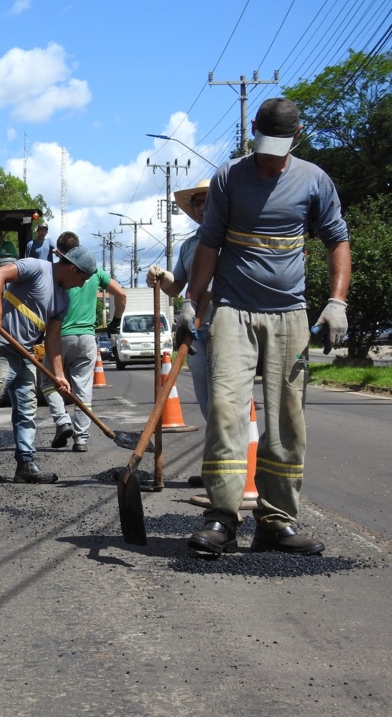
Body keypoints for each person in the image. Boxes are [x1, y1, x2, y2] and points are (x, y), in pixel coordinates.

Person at [178, 98, 351, 556]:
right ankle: (222, 518)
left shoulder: (315, 180)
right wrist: (191, 301)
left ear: (298, 135)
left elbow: (338, 239)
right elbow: (210, 242)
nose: (272, 155)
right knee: (227, 412)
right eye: (264, 142)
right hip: (233, 311)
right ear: (252, 130)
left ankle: (278, 521)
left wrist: (337, 302)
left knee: (287, 421)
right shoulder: (229, 178)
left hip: (289, 315)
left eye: (281, 144)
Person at [0, 245, 97, 484]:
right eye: (83, 278)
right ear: (72, 268)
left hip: (25, 353)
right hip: (1, 345)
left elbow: (52, 339)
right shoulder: (36, 268)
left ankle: (25, 463)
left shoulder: (63, 299)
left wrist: (59, 375)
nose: (82, 284)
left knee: (27, 409)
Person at [42, 232, 127, 452]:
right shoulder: (96, 273)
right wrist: (115, 321)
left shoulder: (58, 272)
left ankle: (62, 421)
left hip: (59, 337)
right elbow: (122, 295)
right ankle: (81, 438)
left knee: (48, 382)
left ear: (61, 253)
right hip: (87, 339)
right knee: (82, 389)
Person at [145, 179, 212, 419]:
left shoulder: (233, 239)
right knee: (206, 402)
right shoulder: (190, 245)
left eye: (207, 201)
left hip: (226, 329)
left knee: (226, 401)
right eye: (198, 203)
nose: (202, 207)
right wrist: (161, 277)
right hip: (195, 332)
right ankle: (217, 451)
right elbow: (176, 287)